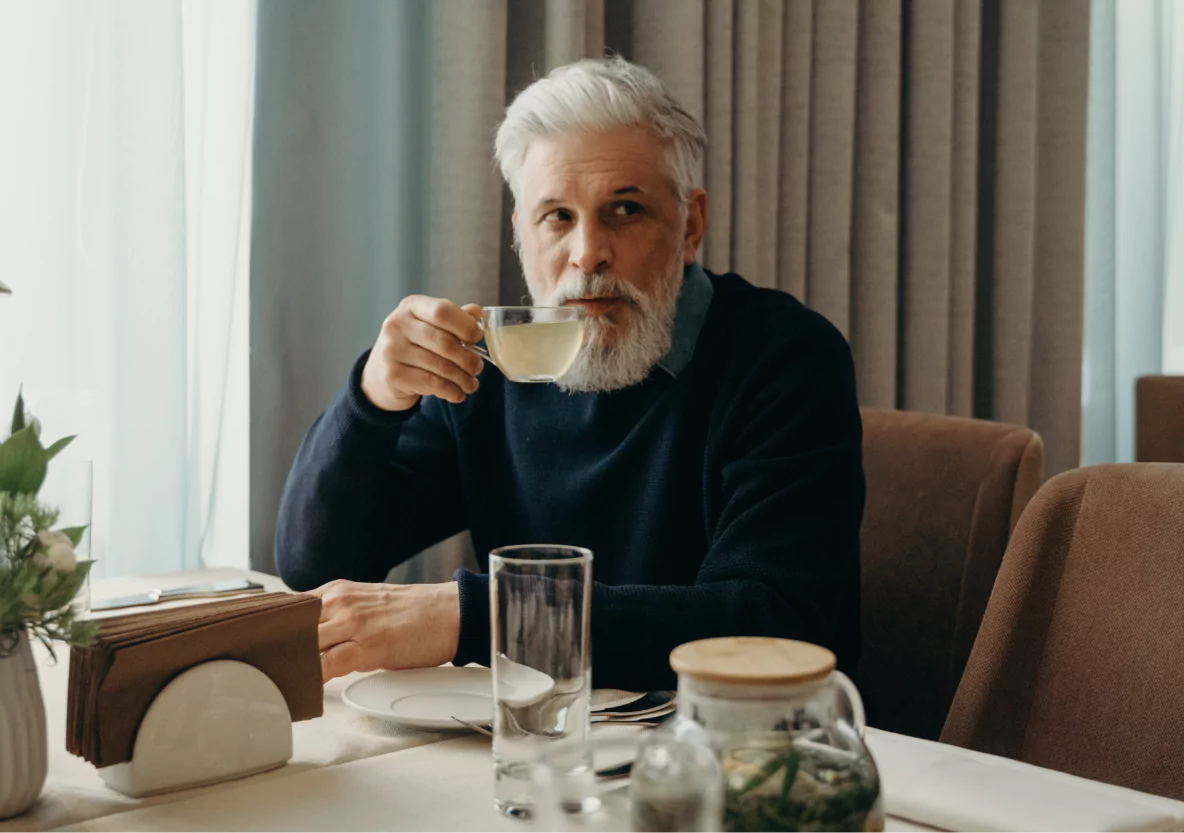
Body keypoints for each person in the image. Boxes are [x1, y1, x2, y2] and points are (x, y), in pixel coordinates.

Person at [275, 57, 864, 690]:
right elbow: (313, 564)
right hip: (540, 741)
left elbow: (772, 624)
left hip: (731, 754)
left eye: (626, 209)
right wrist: (374, 399)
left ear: (690, 227)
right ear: (520, 235)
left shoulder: (785, 359)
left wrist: (482, 617)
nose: (587, 253)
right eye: (557, 216)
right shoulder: (493, 364)